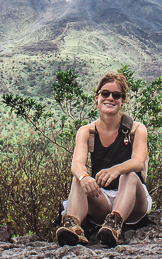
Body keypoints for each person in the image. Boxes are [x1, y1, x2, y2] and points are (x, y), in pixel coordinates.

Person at [56, 71, 153, 247]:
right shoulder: (86, 131)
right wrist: (84, 178)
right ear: (97, 98)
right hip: (103, 200)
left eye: (116, 95)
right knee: (79, 179)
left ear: (122, 101)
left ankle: (114, 224)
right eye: (105, 93)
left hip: (133, 200)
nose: (110, 98)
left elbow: (139, 161)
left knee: (129, 175)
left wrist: (116, 170)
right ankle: (73, 227)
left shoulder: (136, 130)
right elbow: (77, 163)